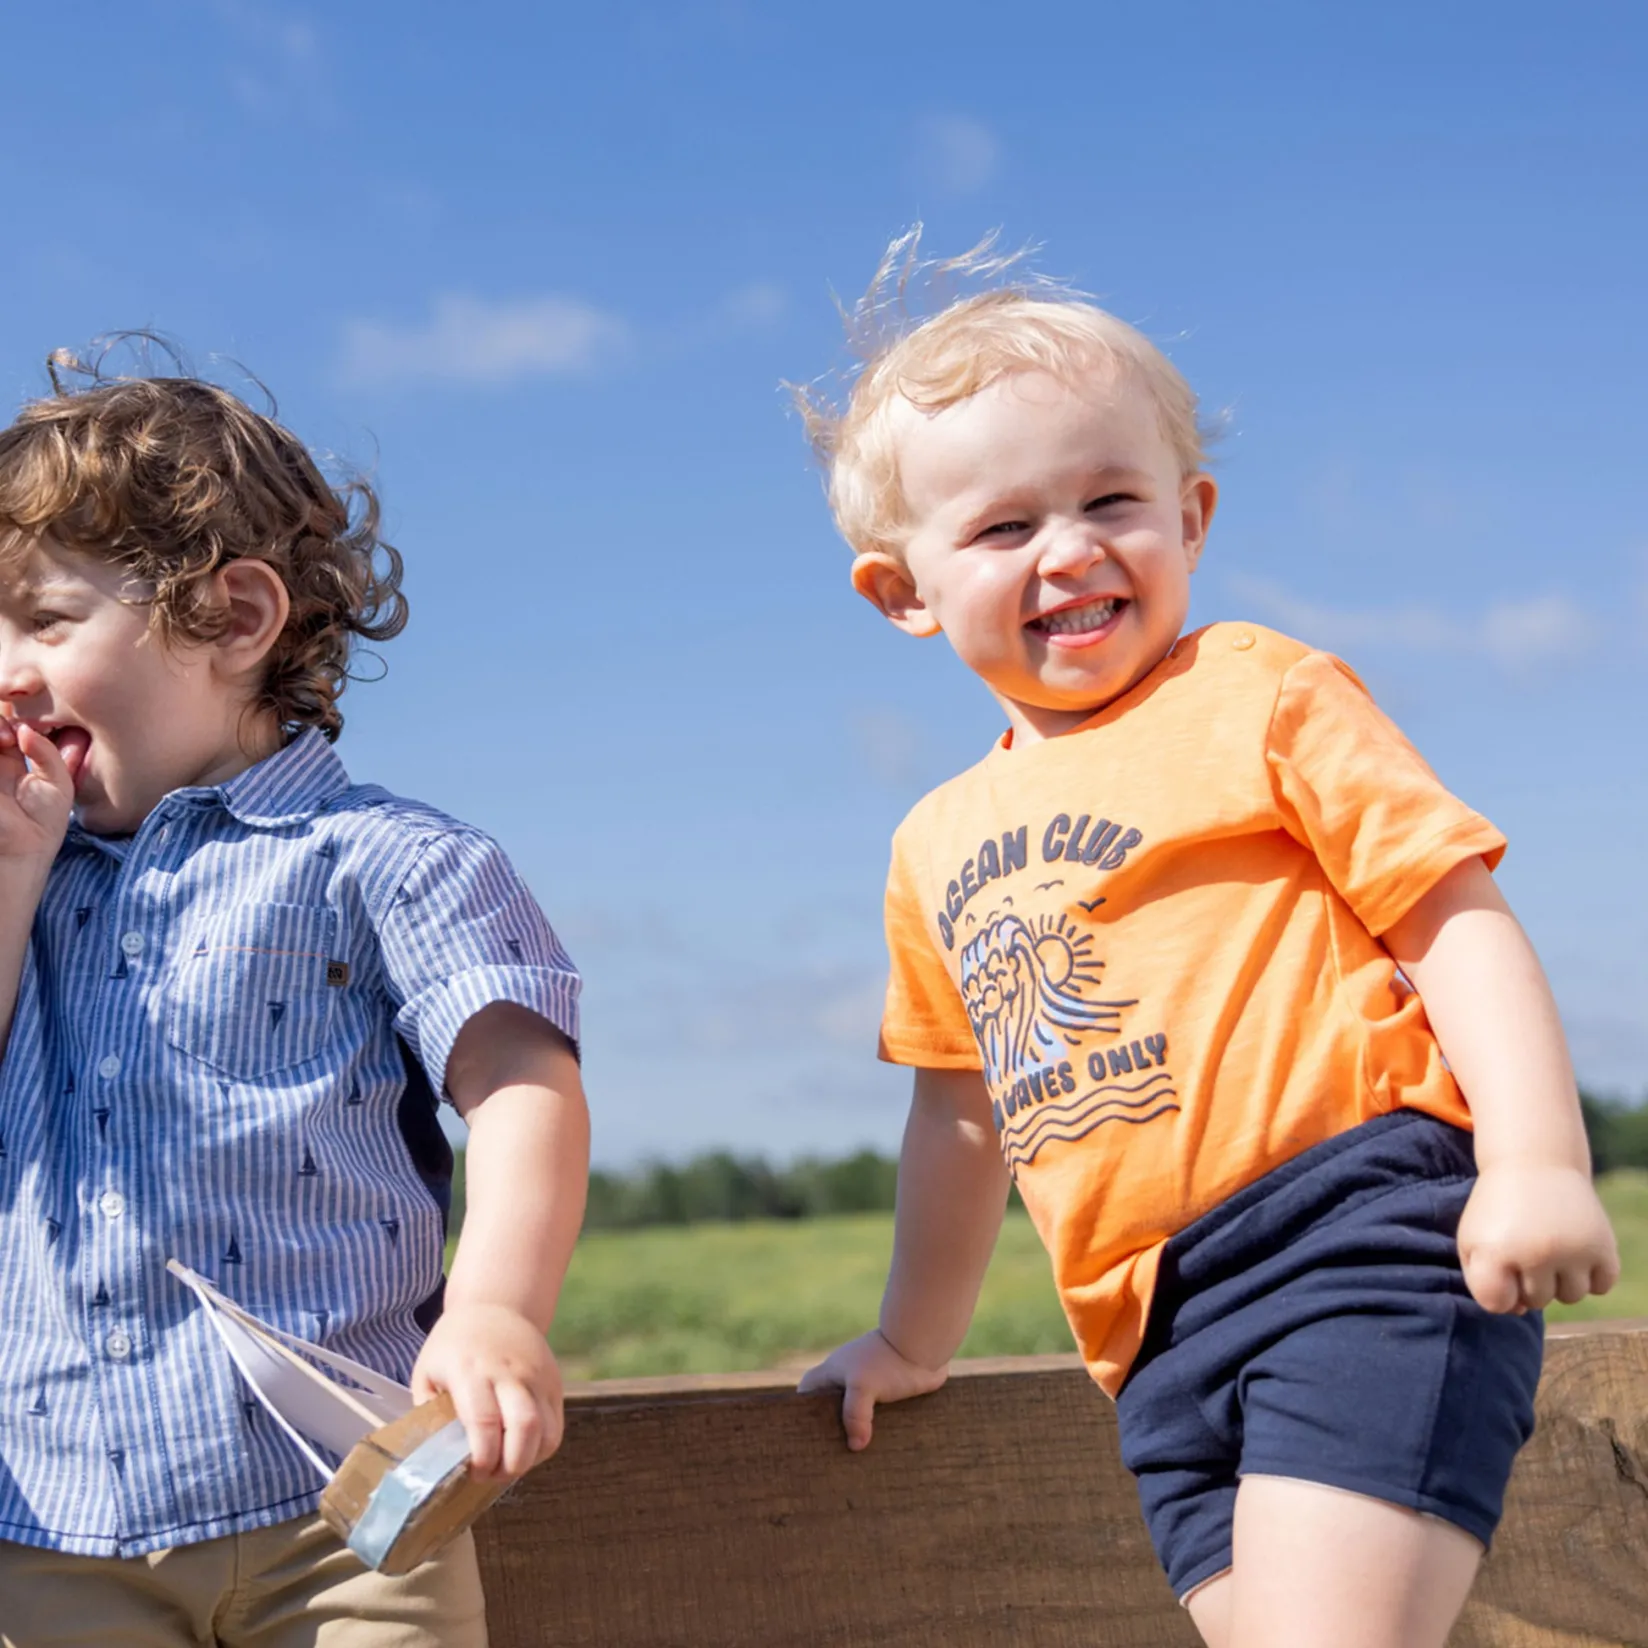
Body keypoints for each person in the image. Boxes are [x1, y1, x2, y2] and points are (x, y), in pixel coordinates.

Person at [795, 249, 1620, 1648]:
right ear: (902, 592)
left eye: (1110, 500)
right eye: (1004, 529)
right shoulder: (935, 842)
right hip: (1149, 1333)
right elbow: (957, 1117)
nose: (1070, 548)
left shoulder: (1261, 693)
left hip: (1358, 1244)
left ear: (1191, 515)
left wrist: (1537, 1162)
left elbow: (1453, 919)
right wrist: (911, 1341)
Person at [0, 347, 588, 1647]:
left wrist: (496, 1309)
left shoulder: (391, 861)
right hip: (51, 1525)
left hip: (350, 1511)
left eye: (42, 620)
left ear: (235, 617)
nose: (6, 668)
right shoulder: (24, 884)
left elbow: (521, 1087)